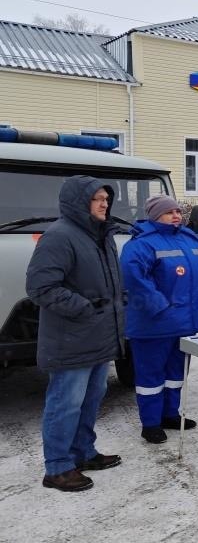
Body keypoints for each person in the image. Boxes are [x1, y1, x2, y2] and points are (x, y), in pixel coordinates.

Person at [26, 175, 125, 492]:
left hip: (99, 336)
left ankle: (83, 452)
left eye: (106, 199)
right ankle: (57, 467)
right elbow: (40, 288)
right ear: (78, 202)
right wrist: (84, 307)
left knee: (91, 400)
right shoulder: (59, 236)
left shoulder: (102, 236)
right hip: (71, 338)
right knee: (64, 404)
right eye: (97, 198)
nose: (104, 203)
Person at [121, 195, 198, 444]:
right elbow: (135, 280)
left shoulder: (189, 239)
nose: (176, 215)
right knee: (151, 376)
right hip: (154, 324)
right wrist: (160, 308)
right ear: (154, 215)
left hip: (184, 322)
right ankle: (150, 424)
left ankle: (171, 414)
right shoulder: (141, 244)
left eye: (177, 211)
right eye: (169, 212)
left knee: (176, 373)